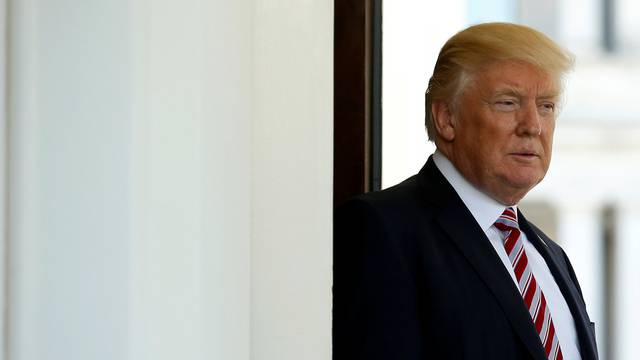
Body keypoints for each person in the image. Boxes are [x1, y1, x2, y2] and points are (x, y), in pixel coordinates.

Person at [333, 22, 599, 360]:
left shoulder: (550, 255)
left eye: (546, 106)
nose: (533, 125)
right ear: (447, 118)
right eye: (507, 102)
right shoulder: (380, 230)